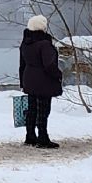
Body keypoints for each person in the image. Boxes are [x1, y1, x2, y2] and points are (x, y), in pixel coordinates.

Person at [19, 15, 64, 149]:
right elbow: (49, 65)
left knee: (32, 109)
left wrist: (22, 81)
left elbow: (22, 64)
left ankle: (30, 136)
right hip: (44, 81)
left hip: (29, 79)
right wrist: (58, 75)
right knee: (43, 110)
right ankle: (43, 138)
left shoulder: (25, 43)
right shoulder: (44, 44)